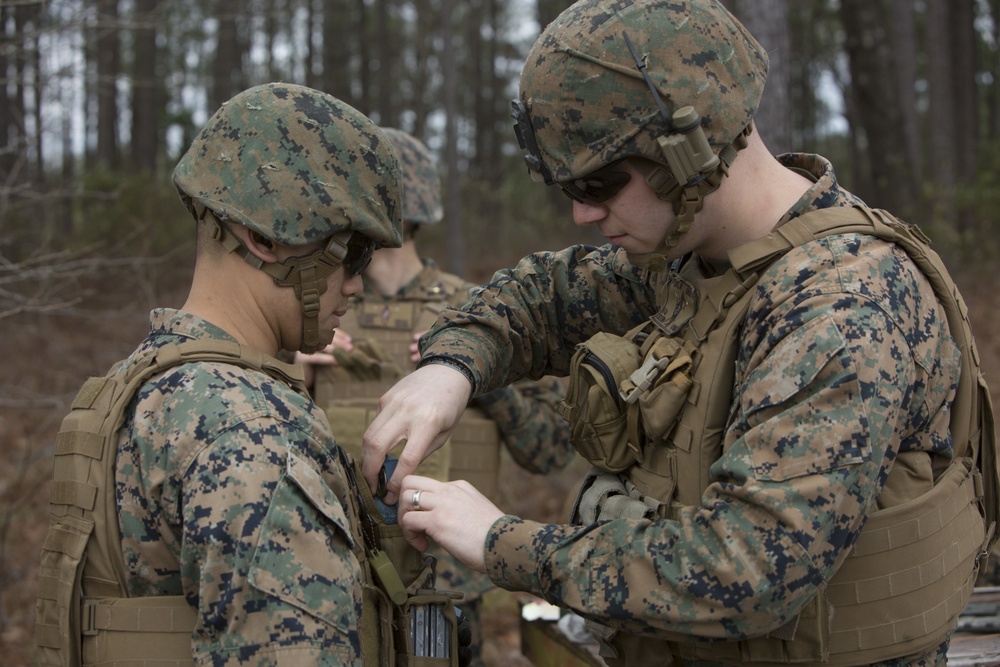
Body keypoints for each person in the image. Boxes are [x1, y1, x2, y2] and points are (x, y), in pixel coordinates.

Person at [361, 1, 999, 665]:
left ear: (691, 151)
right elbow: (541, 297)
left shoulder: (840, 307)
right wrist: (450, 369)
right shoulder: (697, 258)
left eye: (600, 182)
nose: (582, 211)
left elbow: (747, 570)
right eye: (570, 186)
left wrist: (499, 539)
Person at [35, 83, 404, 666]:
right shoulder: (249, 432)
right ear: (263, 238)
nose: (359, 283)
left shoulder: (132, 387)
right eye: (351, 254)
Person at [296, 127, 574, 667]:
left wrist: (475, 378)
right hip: (337, 579)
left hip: (447, 588)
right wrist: (295, 375)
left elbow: (549, 451)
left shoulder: (482, 313)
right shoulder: (317, 307)